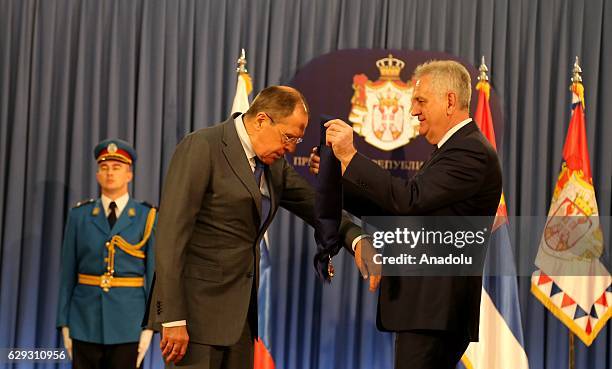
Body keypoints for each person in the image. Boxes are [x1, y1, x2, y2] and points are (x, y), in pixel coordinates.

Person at [149, 86, 363, 369]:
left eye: (297, 141)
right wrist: (172, 317)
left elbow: (314, 206)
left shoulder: (273, 165)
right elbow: (170, 235)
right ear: (262, 120)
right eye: (289, 137)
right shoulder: (203, 146)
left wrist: (357, 238)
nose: (291, 148)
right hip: (194, 322)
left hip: (241, 323)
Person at [310, 60, 503, 369]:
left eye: (420, 100)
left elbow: (407, 201)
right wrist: (338, 182)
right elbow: (399, 213)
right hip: (426, 313)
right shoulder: (452, 150)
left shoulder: (470, 152)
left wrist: (350, 156)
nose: (413, 110)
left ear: (450, 101)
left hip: (435, 312)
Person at [56, 139, 156, 368]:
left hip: (129, 322)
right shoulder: (79, 216)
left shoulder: (146, 216)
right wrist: (64, 323)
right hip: (84, 321)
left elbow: (153, 276)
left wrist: (151, 326)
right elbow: (67, 274)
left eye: (117, 167)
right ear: (97, 175)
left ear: (129, 175)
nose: (110, 173)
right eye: (104, 167)